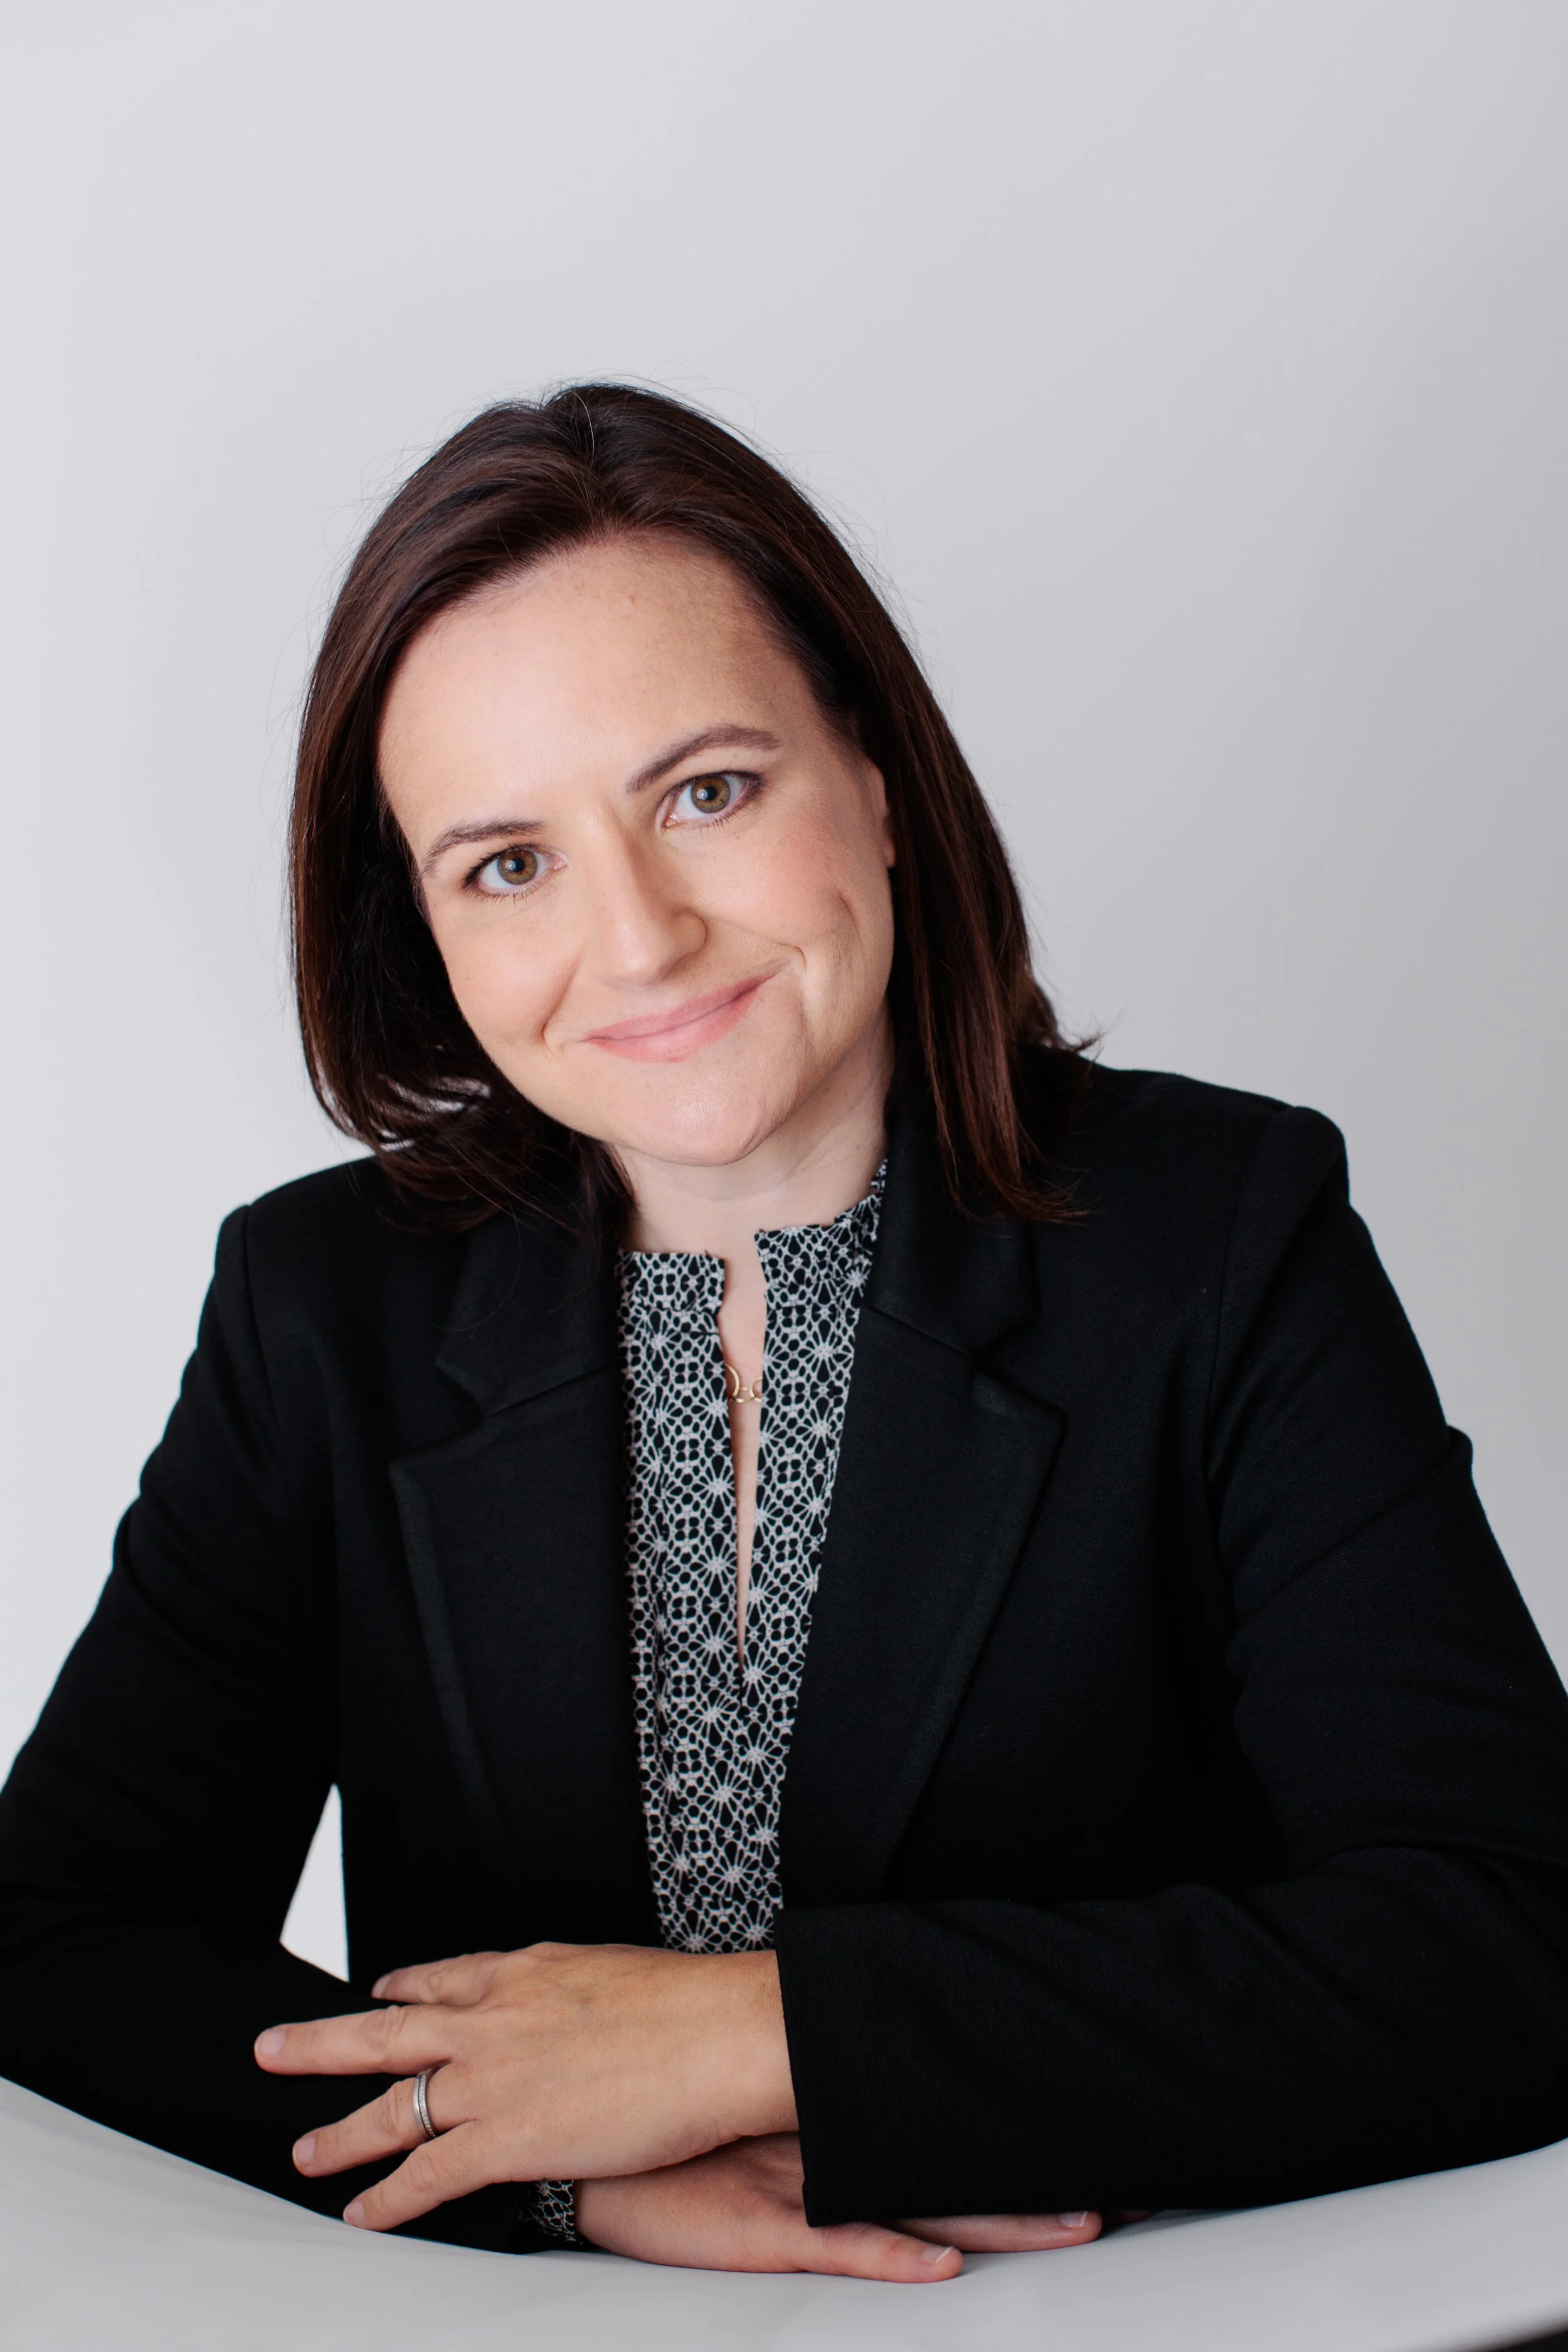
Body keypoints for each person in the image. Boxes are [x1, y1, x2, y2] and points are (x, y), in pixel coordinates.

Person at [3, 385, 1567, 2285]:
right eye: (508, 862)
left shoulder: (1221, 1233)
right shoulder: (318, 1307)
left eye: (706, 791)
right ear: (424, 935)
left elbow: (1507, 1939)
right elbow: (57, 1936)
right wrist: (554, 2174)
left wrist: (758, 2032)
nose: (640, 938)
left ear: (880, 781)